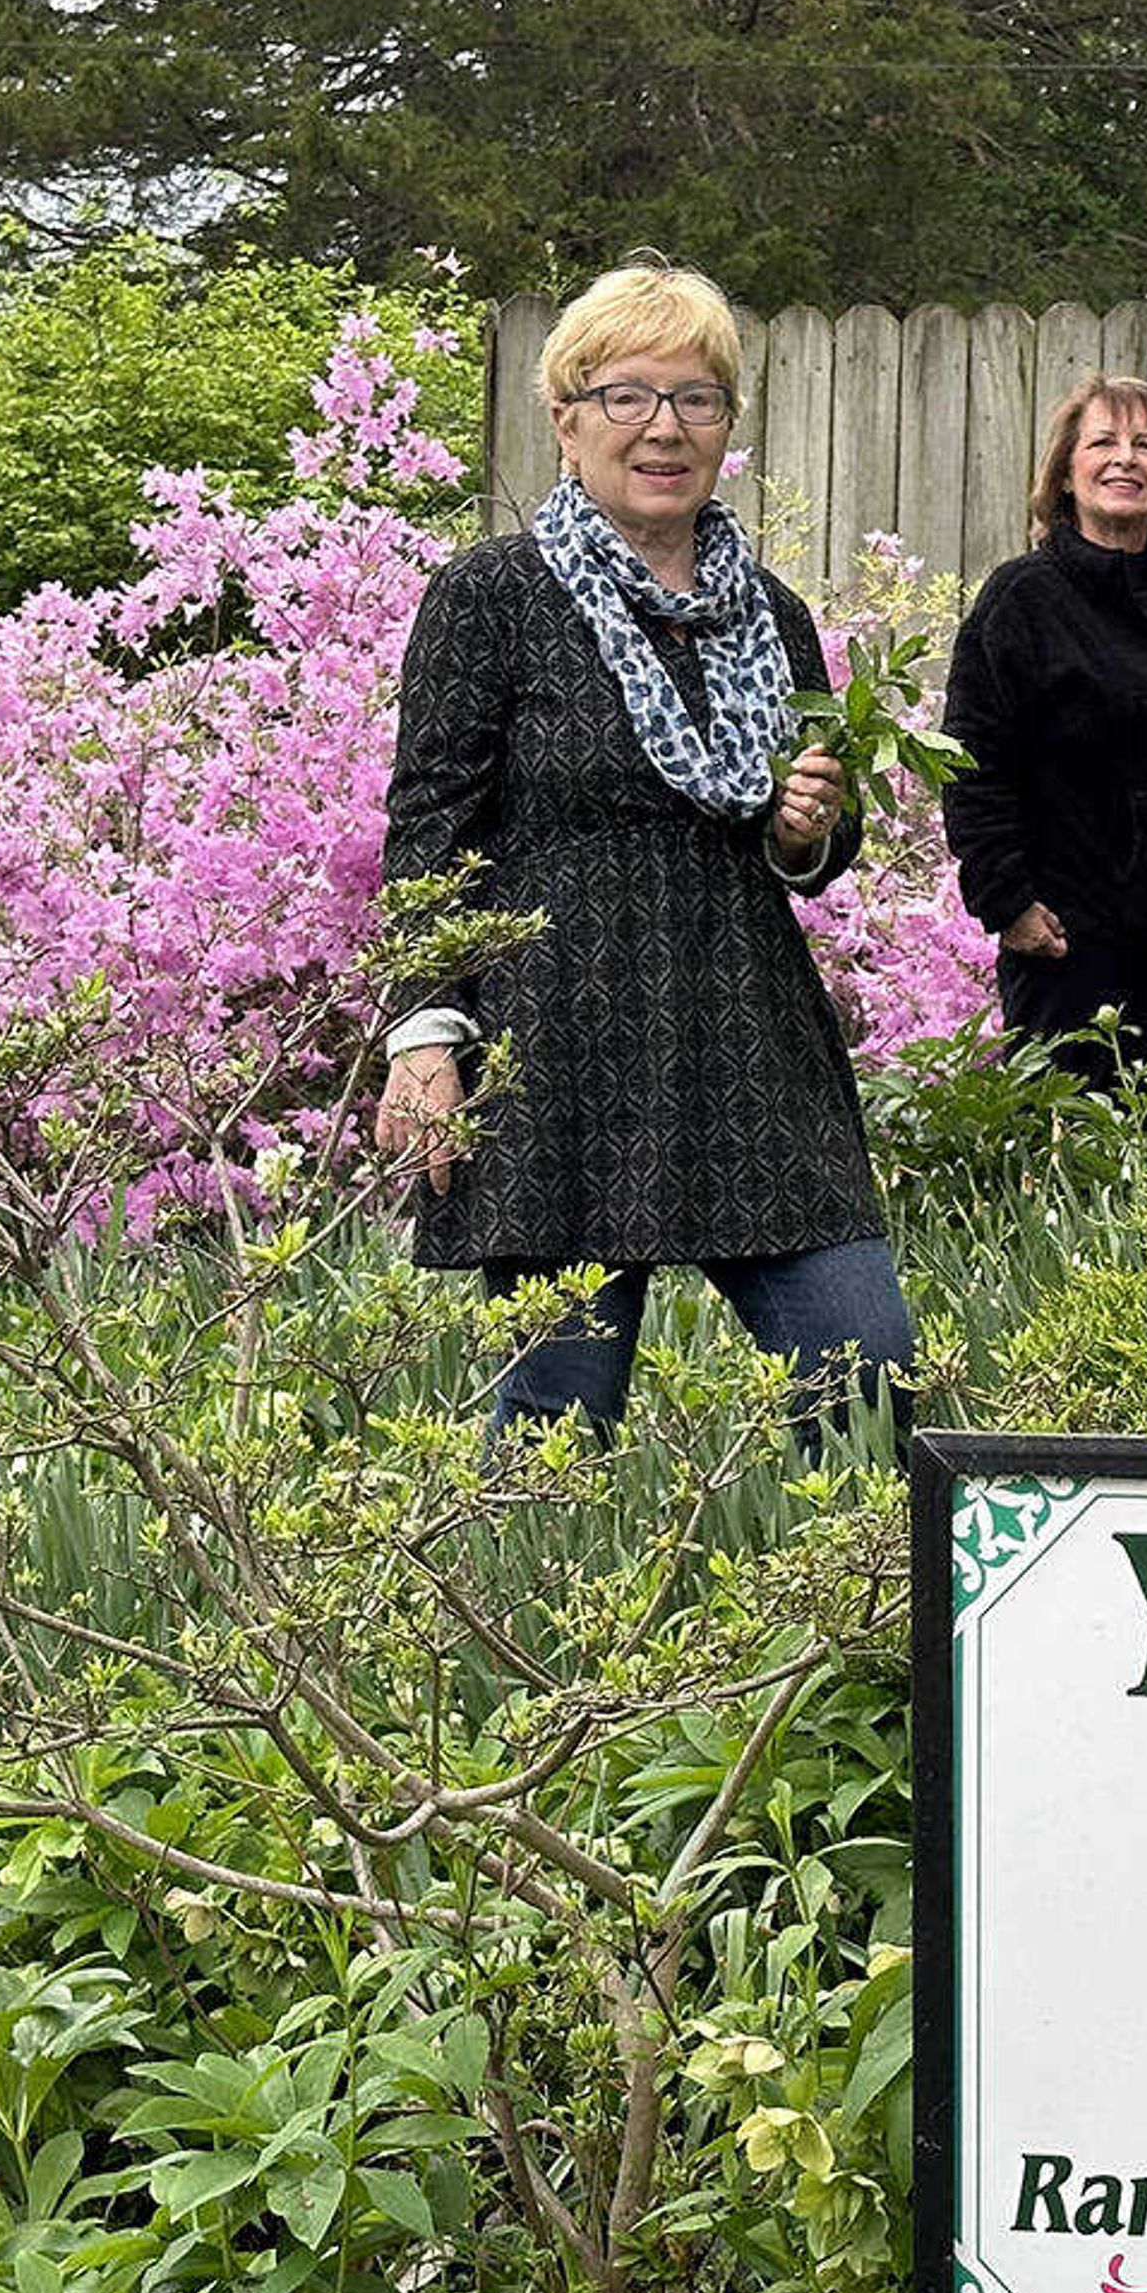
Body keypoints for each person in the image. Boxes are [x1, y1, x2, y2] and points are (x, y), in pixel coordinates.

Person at [371, 258, 915, 1444]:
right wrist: (424, 1038)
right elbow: (426, 832)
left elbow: (817, 850)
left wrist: (803, 829)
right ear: (566, 420)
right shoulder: (493, 595)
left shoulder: (772, 615)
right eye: (626, 396)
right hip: (558, 1044)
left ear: (727, 428)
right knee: (558, 1430)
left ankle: (857, 1623)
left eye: (697, 399)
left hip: (748, 1042)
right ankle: (528, 1629)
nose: (664, 428)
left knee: (868, 1378)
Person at [941, 375, 1147, 1094]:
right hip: (1068, 942)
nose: (1125, 459)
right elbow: (971, 762)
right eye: (1103, 441)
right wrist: (1006, 901)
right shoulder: (1022, 600)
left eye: (1146, 445)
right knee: (1077, 1171)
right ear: (1065, 471)